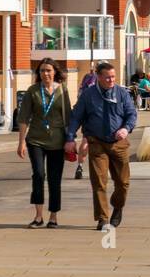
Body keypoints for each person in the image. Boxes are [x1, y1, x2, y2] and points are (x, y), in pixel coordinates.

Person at [66, 62, 138, 230]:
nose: (111, 80)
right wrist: (70, 137)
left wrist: (126, 129)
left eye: (113, 77)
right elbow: (76, 116)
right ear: (98, 77)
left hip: (118, 143)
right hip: (97, 142)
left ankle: (117, 206)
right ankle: (103, 218)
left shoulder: (122, 93)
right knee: (99, 182)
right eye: (107, 77)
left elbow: (131, 114)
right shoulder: (88, 95)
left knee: (123, 183)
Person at [16, 59, 71, 228]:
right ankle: (38, 216)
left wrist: (71, 140)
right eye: (41, 71)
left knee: (55, 179)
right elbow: (24, 117)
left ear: (55, 72)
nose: (45, 74)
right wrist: (21, 142)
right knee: (38, 175)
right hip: (36, 140)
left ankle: (53, 216)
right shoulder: (32, 91)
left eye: (48, 70)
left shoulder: (62, 90)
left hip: (57, 141)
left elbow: (68, 116)